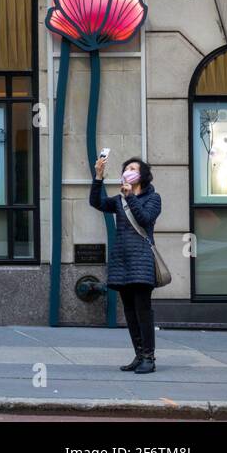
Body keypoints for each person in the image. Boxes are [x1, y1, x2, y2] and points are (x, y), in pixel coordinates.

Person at [91, 154, 162, 374]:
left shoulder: (153, 198)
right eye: (126, 168)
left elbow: (145, 219)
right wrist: (98, 177)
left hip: (142, 260)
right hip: (122, 261)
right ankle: (139, 355)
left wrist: (130, 196)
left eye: (132, 168)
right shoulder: (119, 200)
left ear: (142, 175)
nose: (127, 171)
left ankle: (149, 357)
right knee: (130, 312)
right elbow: (97, 203)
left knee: (143, 310)